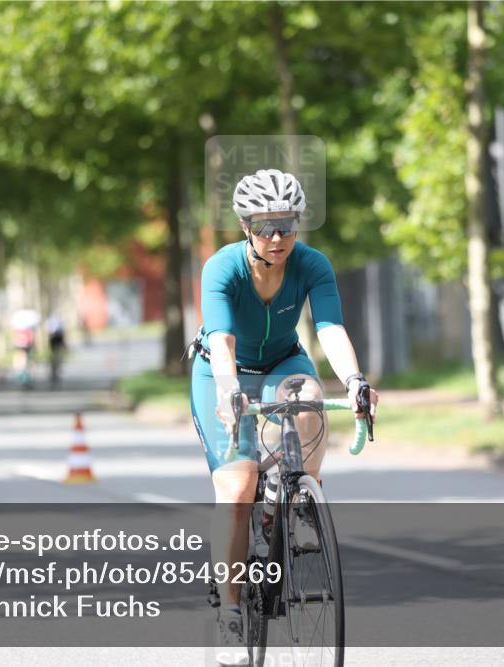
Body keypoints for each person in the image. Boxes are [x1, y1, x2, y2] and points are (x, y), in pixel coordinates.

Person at [188, 168, 379, 664]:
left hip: (282, 362)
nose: (278, 238)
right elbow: (222, 340)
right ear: (245, 226)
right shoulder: (221, 268)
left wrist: (355, 380)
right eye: (265, 227)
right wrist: (229, 391)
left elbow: (331, 328)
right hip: (222, 370)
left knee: (309, 400)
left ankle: (300, 498)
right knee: (238, 485)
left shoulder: (311, 263)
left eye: (287, 226)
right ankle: (231, 612)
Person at [10, 308, 40, 388]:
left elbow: (13, 331)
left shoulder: (17, 319)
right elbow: (33, 333)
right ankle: (25, 373)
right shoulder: (31, 319)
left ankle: (21, 372)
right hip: (26, 341)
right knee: (27, 356)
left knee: (21, 355)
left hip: (19, 341)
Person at [46, 313, 66, 385]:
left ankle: (55, 370)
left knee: (56, 356)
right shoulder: (59, 321)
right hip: (56, 339)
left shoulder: (52, 321)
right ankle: (54, 370)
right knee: (56, 356)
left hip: (55, 339)